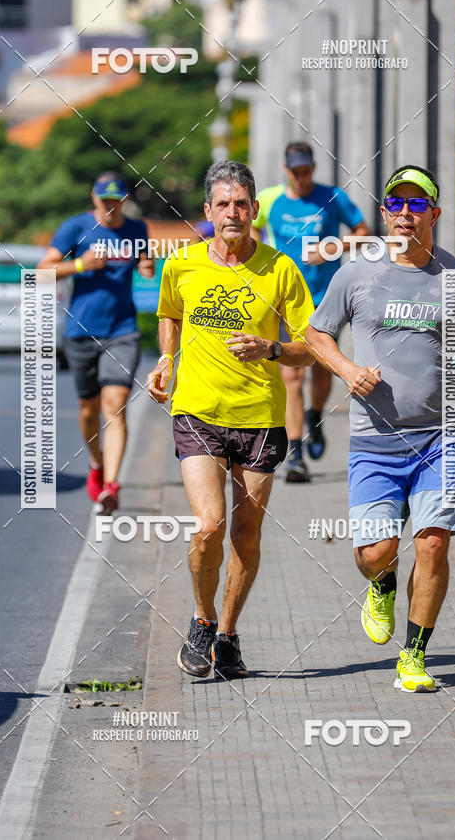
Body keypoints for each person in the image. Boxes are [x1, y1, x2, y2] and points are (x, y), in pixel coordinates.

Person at [306, 164, 455, 692]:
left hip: (446, 434)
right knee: (375, 552)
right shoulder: (355, 273)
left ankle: (414, 657)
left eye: (418, 205)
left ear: (434, 214)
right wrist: (348, 370)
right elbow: (316, 334)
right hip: (375, 439)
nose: (405, 214)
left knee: (435, 543)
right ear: (385, 214)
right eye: (397, 204)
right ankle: (384, 581)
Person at [146, 161, 314, 680]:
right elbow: (170, 314)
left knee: (245, 533)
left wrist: (272, 349)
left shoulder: (281, 269)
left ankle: (228, 636)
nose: (233, 213)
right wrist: (167, 359)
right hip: (197, 411)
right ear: (207, 211)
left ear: (255, 210)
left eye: (242, 203)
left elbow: (312, 348)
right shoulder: (183, 264)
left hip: (261, 420)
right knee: (209, 527)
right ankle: (201, 619)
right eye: (223, 204)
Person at [252, 141, 369, 483]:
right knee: (292, 373)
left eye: (306, 172)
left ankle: (315, 416)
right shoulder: (272, 200)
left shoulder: (332, 197)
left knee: (321, 369)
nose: (301, 178)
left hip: (325, 299)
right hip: (286, 300)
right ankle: (295, 453)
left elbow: (362, 232)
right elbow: (253, 228)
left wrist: (335, 246)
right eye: (296, 172)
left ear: (313, 168)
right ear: (286, 169)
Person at [38, 171, 154, 514]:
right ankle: (95, 463)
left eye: (116, 201)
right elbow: (40, 271)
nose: (111, 207)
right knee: (89, 410)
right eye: (105, 201)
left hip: (123, 330)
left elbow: (145, 263)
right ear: (94, 198)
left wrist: (147, 266)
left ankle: (112, 487)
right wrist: (79, 264)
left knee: (115, 405)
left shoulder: (137, 230)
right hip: (80, 331)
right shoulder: (75, 228)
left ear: (125, 201)